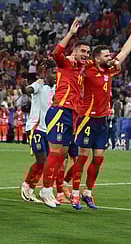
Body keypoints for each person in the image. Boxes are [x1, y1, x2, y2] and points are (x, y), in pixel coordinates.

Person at [71, 16, 131, 210]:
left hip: (102, 121)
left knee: (99, 158)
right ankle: (75, 194)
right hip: (86, 118)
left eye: (110, 55)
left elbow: (124, 53)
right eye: (106, 55)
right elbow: (73, 60)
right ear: (97, 58)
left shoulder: (109, 70)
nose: (110, 57)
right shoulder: (87, 69)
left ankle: (88, 192)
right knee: (82, 157)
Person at [39, 19, 89, 208]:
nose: (85, 55)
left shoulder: (82, 68)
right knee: (54, 152)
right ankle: (45, 190)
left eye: (87, 52)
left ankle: (51, 188)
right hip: (60, 109)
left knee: (62, 155)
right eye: (82, 51)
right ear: (74, 51)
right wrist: (70, 33)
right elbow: (56, 53)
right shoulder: (66, 63)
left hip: (73, 114)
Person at [20, 61, 56, 203]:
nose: (56, 75)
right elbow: (27, 91)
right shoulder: (39, 85)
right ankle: (28, 186)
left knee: (45, 162)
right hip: (36, 128)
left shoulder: (58, 88)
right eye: (53, 72)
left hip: (49, 130)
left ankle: (29, 187)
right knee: (43, 160)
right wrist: (23, 85)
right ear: (45, 73)